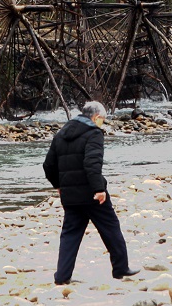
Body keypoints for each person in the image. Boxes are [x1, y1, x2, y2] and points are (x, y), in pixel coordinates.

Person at [43, 101, 139, 285]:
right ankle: (121, 268)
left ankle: (62, 277)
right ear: (96, 117)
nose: (102, 123)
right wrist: (99, 189)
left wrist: (59, 185)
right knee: (110, 228)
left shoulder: (61, 134)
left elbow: (48, 166)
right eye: (103, 119)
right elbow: (92, 163)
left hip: (70, 195)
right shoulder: (93, 133)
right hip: (91, 193)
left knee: (70, 234)